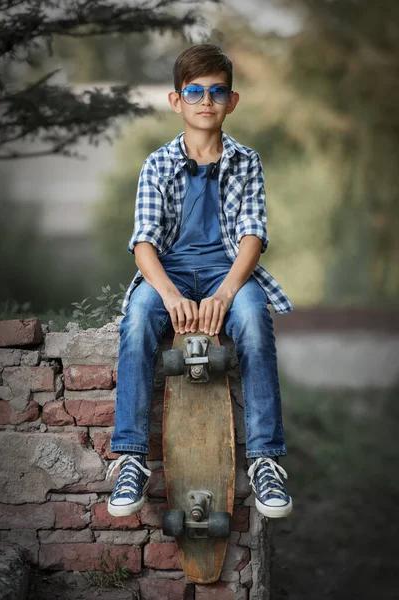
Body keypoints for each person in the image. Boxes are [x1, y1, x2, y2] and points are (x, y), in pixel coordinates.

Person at [106, 44, 294, 520]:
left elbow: (253, 235)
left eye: (216, 91)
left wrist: (226, 292)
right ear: (177, 101)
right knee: (136, 323)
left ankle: (265, 459)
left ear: (232, 101)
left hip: (226, 270)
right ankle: (130, 456)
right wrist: (169, 295)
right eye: (194, 91)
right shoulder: (157, 163)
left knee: (253, 317)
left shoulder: (246, 161)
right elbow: (144, 243)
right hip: (167, 270)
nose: (205, 100)